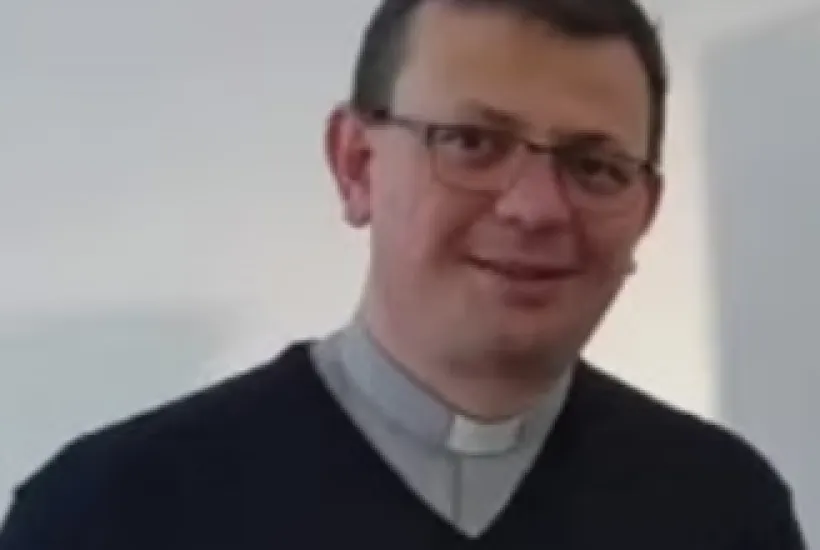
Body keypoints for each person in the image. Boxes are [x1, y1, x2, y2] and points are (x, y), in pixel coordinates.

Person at [0, 0, 807, 548]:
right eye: (472, 143)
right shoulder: (107, 514)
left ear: (645, 212)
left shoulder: (723, 508)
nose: (536, 208)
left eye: (594, 166)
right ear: (356, 165)